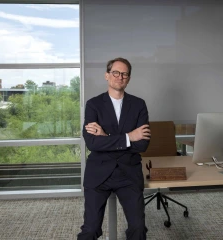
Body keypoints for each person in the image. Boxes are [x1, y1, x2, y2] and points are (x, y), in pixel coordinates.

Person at [78, 57, 151, 240]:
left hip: (128, 174)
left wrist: (106, 138)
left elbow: (142, 144)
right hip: (99, 173)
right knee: (91, 229)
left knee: (138, 229)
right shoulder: (93, 105)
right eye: (116, 73)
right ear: (107, 75)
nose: (120, 77)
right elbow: (92, 143)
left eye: (125, 74)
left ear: (129, 78)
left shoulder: (138, 104)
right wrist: (129, 137)